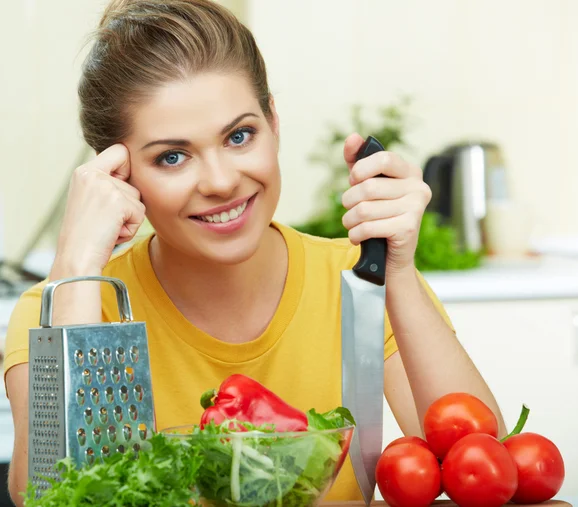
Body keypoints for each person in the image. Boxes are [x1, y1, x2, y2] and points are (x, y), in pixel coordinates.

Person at [4, 0, 507, 504]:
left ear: (274, 122)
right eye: (172, 157)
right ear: (115, 175)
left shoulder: (360, 280)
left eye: (239, 135)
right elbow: (48, 497)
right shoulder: (63, 312)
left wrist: (397, 271)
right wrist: (74, 267)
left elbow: (490, 465)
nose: (222, 182)